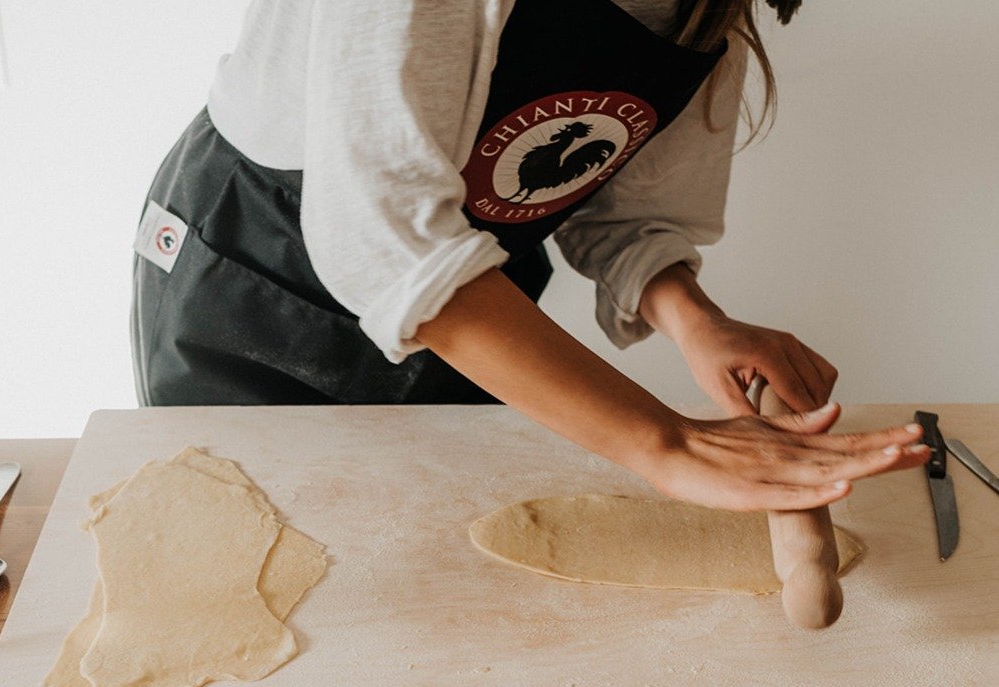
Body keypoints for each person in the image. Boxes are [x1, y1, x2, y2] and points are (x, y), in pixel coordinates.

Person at [131, 0, 928, 511]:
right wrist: (664, 443)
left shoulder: (704, 11)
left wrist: (695, 320)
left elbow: (620, 203)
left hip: (475, 289)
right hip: (255, 270)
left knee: (432, 546)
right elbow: (383, 236)